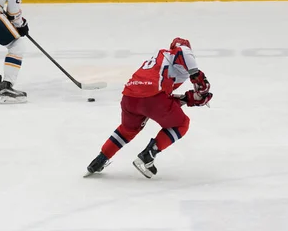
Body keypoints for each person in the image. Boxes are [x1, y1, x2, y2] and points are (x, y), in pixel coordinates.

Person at [85, 38, 213, 178]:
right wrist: (197, 76)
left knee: (127, 130)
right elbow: (182, 51)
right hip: (152, 99)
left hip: (129, 98)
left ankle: (100, 159)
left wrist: (189, 99)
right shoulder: (179, 54)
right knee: (182, 124)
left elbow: (164, 99)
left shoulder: (159, 60)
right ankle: (148, 154)